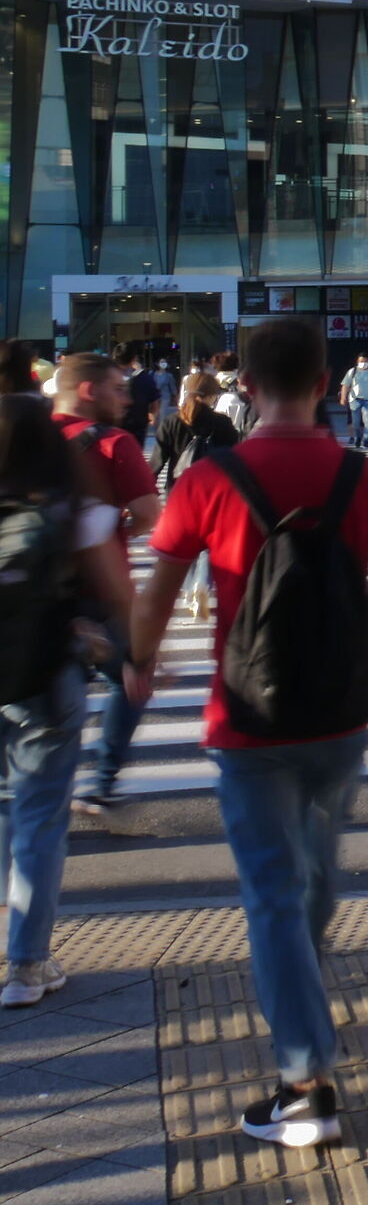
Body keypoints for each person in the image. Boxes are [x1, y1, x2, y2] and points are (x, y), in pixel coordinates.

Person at [130, 315, 368, 1148]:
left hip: (248, 716)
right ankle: (300, 996)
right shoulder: (365, 476)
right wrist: (337, 599)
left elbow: (157, 592)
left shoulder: (211, 479)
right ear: (326, 384)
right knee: (314, 882)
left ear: (247, 389)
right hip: (341, 710)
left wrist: (138, 661)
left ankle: (305, 1087)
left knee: (271, 900)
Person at [0, 394, 135, 1008]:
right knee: (39, 818)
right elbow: (115, 590)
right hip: (45, 679)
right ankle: (26, 965)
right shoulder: (69, 507)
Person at [48, 355, 160, 817]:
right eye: (116, 388)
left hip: (34, 592)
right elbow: (151, 516)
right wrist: (117, 527)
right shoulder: (115, 443)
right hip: (100, 593)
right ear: (88, 391)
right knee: (133, 678)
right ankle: (102, 780)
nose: (125, 398)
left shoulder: (21, 435)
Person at [149, 373, 241, 625]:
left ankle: (192, 585)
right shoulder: (221, 423)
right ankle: (202, 581)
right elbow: (236, 457)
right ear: (212, 395)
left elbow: (157, 462)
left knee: (188, 541)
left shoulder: (171, 422)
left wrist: (146, 492)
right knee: (208, 542)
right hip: (215, 490)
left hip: (179, 491)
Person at [339, 356, 368, 448]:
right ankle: (358, 437)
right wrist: (343, 397)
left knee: (367, 421)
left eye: (365, 361)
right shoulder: (352, 371)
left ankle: (366, 440)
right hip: (354, 400)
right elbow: (345, 385)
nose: (363, 363)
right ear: (357, 361)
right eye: (361, 361)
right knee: (355, 423)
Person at [124, 359, 161, 451]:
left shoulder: (114, 376)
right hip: (139, 422)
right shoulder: (146, 378)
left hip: (126, 421)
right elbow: (154, 400)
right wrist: (153, 414)